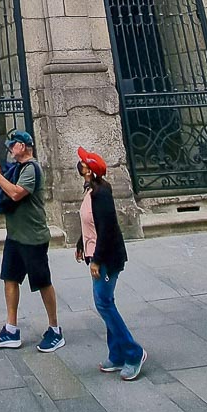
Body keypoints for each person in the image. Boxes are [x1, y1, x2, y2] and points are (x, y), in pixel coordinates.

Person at [0, 129, 64, 352]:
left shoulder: (31, 168)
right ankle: (11, 329)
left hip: (32, 237)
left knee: (42, 282)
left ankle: (55, 329)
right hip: (15, 235)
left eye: (13, 145)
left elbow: (16, 193)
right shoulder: (19, 168)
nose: (10, 148)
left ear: (23, 146)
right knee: (10, 278)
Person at [75, 148, 146, 381]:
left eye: (83, 163)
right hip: (96, 253)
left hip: (106, 257)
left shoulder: (101, 193)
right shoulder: (91, 190)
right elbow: (91, 222)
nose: (79, 165)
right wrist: (81, 243)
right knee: (106, 302)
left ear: (89, 170)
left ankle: (133, 353)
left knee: (103, 303)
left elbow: (106, 229)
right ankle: (116, 355)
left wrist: (96, 260)